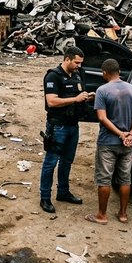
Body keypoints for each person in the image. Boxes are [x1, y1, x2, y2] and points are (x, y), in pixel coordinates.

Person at [85, 59, 132, 225]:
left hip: (107, 142)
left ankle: (102, 215)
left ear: (105, 72)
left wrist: (120, 134)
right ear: (119, 71)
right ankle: (123, 214)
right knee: (125, 179)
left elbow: (102, 117)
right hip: (127, 144)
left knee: (104, 179)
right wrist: (130, 134)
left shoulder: (102, 90)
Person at [40, 46, 92, 214]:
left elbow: (79, 95)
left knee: (67, 161)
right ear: (67, 59)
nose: (79, 66)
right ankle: (45, 198)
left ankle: (63, 192)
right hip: (57, 126)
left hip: (73, 125)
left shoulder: (77, 75)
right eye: (76, 62)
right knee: (50, 163)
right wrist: (75, 99)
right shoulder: (53, 76)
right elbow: (51, 101)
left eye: (81, 63)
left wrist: (86, 97)